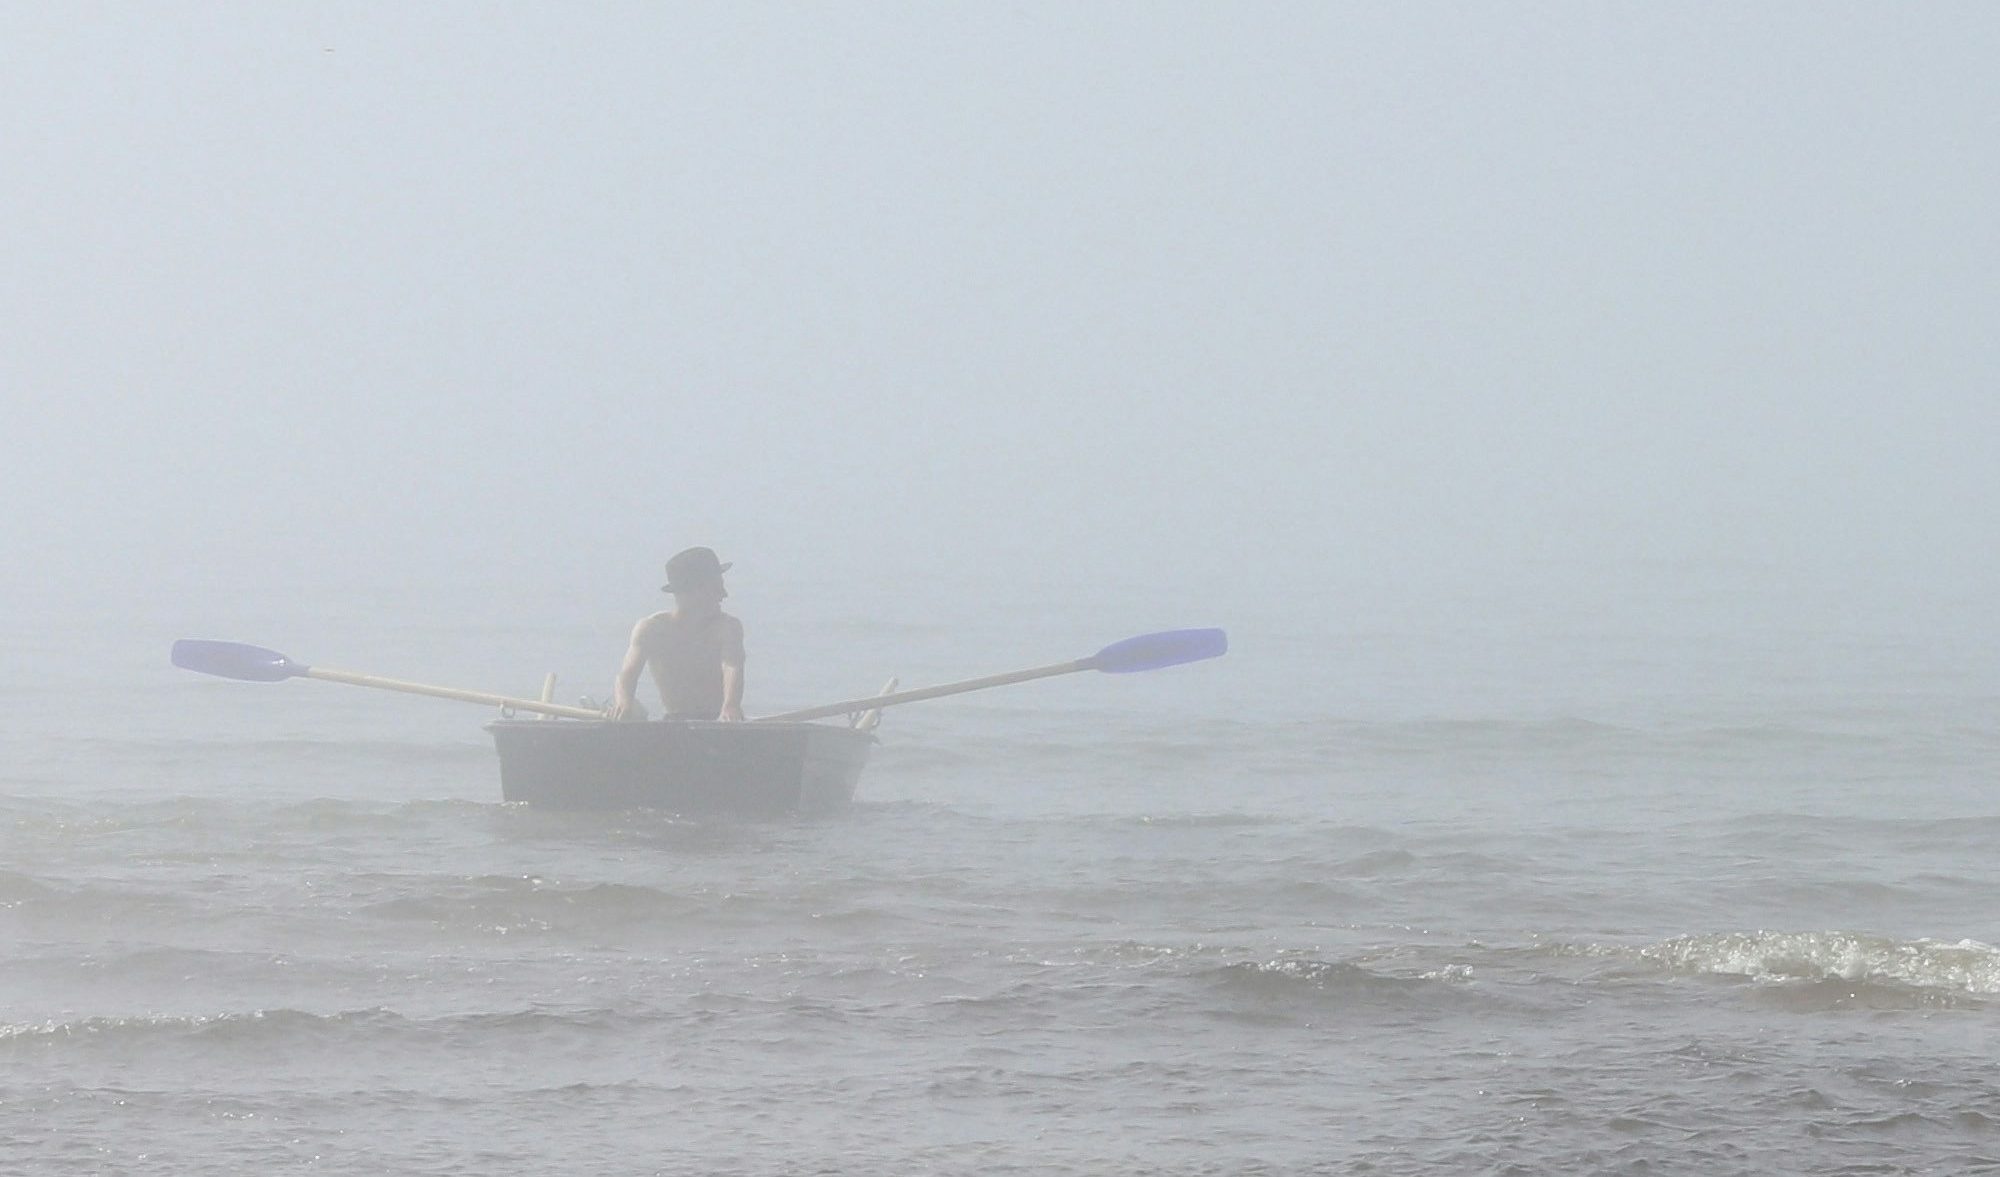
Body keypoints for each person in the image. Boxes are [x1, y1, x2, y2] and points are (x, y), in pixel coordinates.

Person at [609, 546, 746, 722]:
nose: (724, 595)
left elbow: (732, 666)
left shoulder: (728, 628)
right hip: (674, 722)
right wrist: (624, 701)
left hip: (721, 722)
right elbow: (626, 674)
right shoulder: (651, 629)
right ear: (695, 591)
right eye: (717, 588)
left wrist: (731, 705)